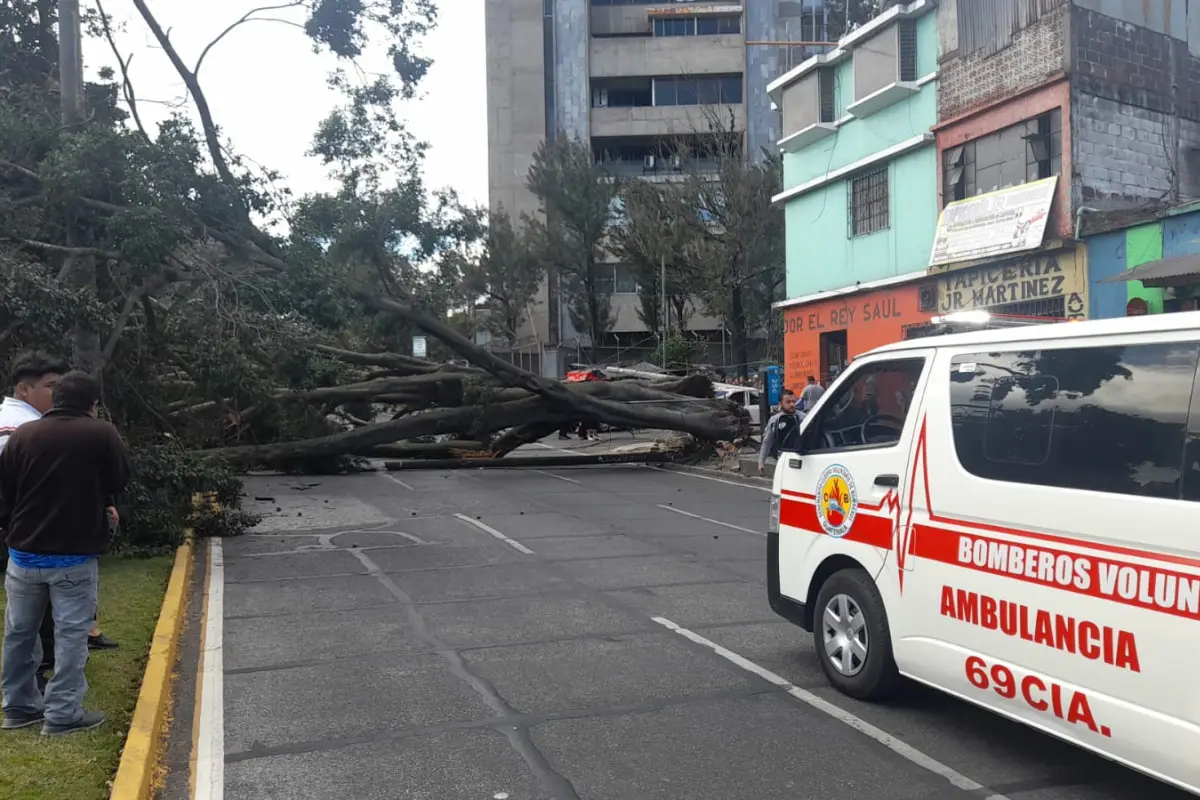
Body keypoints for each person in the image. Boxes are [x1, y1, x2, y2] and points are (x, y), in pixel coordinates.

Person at [1, 371, 131, 735]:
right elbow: (119, 479)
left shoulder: (24, 434)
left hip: (23, 554)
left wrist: (10, 531)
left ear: (56, 400)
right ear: (93, 404)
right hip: (73, 555)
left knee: (19, 634)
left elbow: (5, 491)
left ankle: (18, 707)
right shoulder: (100, 433)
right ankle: (62, 714)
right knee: (71, 635)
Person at [0, 352, 67, 695]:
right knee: (30, 611)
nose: (57, 394)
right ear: (24, 388)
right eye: (51, 386)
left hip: (17, 526)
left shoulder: (14, 418)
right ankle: (32, 678)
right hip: (21, 529)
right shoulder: (21, 427)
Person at [758, 389, 804, 476]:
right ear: (780, 404)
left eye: (794, 401)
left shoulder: (803, 417)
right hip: (782, 460)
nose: (792, 404)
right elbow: (767, 441)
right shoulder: (775, 420)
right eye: (788, 402)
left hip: (801, 460)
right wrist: (761, 462)